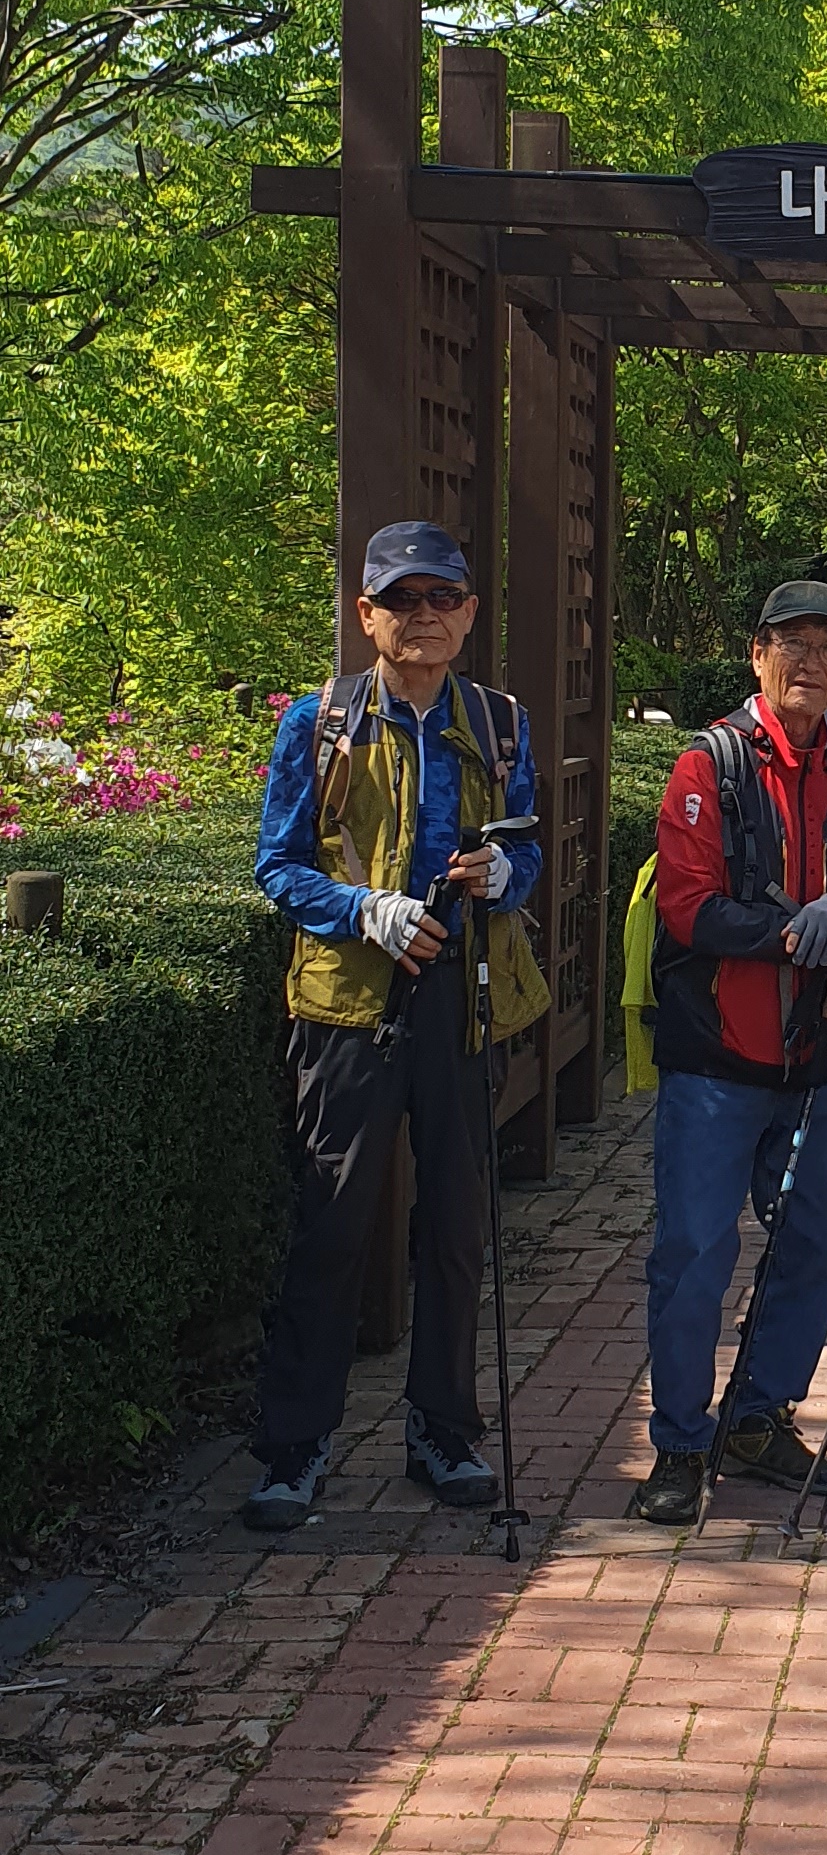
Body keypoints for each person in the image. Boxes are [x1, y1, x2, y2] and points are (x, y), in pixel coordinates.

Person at [245, 519, 547, 1531]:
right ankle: (295, 1445)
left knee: (458, 1225)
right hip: (349, 1002)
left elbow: (527, 849)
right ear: (365, 613)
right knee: (332, 1223)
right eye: (402, 599)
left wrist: (505, 875)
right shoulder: (319, 722)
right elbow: (278, 864)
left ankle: (443, 1430)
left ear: (469, 611)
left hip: (463, 999)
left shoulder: (499, 722)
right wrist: (362, 908)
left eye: (442, 598)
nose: (424, 615)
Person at [630, 581, 827, 1526]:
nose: (810, 663)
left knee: (814, 1252)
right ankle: (679, 1441)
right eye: (793, 643)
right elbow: (689, 908)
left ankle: (756, 1418)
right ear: (758, 655)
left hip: (821, 1059)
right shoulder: (707, 765)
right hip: (716, 1061)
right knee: (692, 1256)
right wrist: (801, 932)